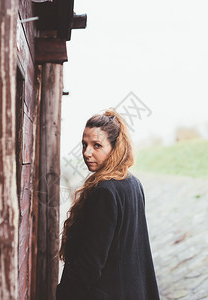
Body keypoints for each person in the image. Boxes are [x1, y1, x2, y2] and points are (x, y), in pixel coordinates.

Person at [56, 109, 160, 300]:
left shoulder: (104, 191)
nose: (87, 153)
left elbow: (90, 262)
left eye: (97, 145)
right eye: (84, 144)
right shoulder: (133, 183)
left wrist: (64, 294)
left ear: (115, 148)